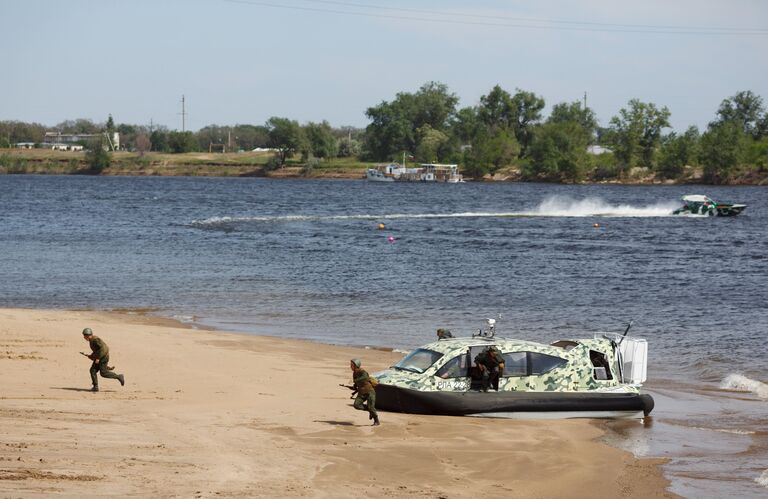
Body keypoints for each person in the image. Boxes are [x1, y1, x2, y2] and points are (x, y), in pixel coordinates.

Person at [81, 328, 125, 392]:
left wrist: (98, 358)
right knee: (92, 370)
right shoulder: (91, 340)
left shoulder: (95, 340)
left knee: (103, 373)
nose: (84, 337)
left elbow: (104, 348)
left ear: (87, 335)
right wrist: (91, 356)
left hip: (103, 357)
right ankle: (95, 387)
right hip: (100, 357)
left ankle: (119, 376)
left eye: (84, 336)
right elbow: (97, 350)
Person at [349, 358, 379, 426]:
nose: (350, 366)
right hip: (361, 393)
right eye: (350, 365)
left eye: (352, 365)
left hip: (369, 392)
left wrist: (356, 381)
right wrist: (353, 387)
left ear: (356, 365)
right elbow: (357, 383)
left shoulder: (362, 371)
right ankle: (370, 411)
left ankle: (376, 421)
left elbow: (365, 377)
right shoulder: (354, 373)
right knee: (356, 405)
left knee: (371, 407)